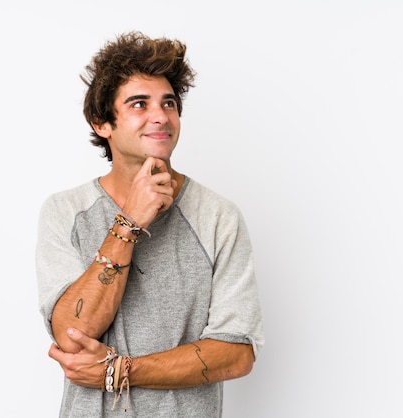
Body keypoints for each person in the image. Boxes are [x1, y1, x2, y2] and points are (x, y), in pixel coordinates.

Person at [35, 31, 264, 417]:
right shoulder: (65, 211)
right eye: (139, 104)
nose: (160, 116)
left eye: (169, 103)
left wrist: (121, 370)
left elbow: (236, 353)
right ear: (101, 123)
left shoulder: (218, 216)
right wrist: (127, 225)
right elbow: (73, 335)